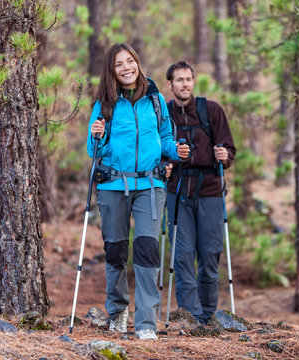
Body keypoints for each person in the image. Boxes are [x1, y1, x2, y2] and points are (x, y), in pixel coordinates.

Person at [87, 43, 189, 340]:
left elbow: (165, 138)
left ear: (137, 63)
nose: (126, 67)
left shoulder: (155, 99)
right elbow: (94, 150)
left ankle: (146, 323)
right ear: (112, 70)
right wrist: (96, 136)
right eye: (119, 64)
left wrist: (177, 150)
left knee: (147, 251)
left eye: (130, 61)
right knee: (116, 250)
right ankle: (118, 312)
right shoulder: (104, 103)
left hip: (150, 185)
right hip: (113, 185)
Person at [165, 61, 236, 325]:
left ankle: (208, 316)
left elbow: (229, 149)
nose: (184, 84)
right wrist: (164, 165)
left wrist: (224, 155)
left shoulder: (212, 110)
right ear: (169, 85)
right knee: (182, 256)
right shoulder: (164, 115)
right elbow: (158, 151)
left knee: (209, 254)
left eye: (188, 79)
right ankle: (191, 317)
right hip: (177, 192)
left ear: (193, 82)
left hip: (210, 192)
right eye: (179, 80)